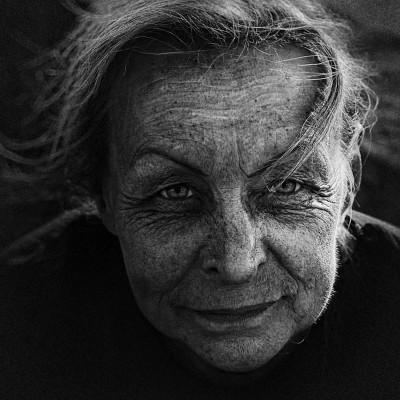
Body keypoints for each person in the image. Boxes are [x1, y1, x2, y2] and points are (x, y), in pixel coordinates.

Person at [1, 0, 399, 399]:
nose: (236, 264)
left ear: (347, 181)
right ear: (102, 196)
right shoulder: (20, 320)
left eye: (287, 186)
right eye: (175, 192)